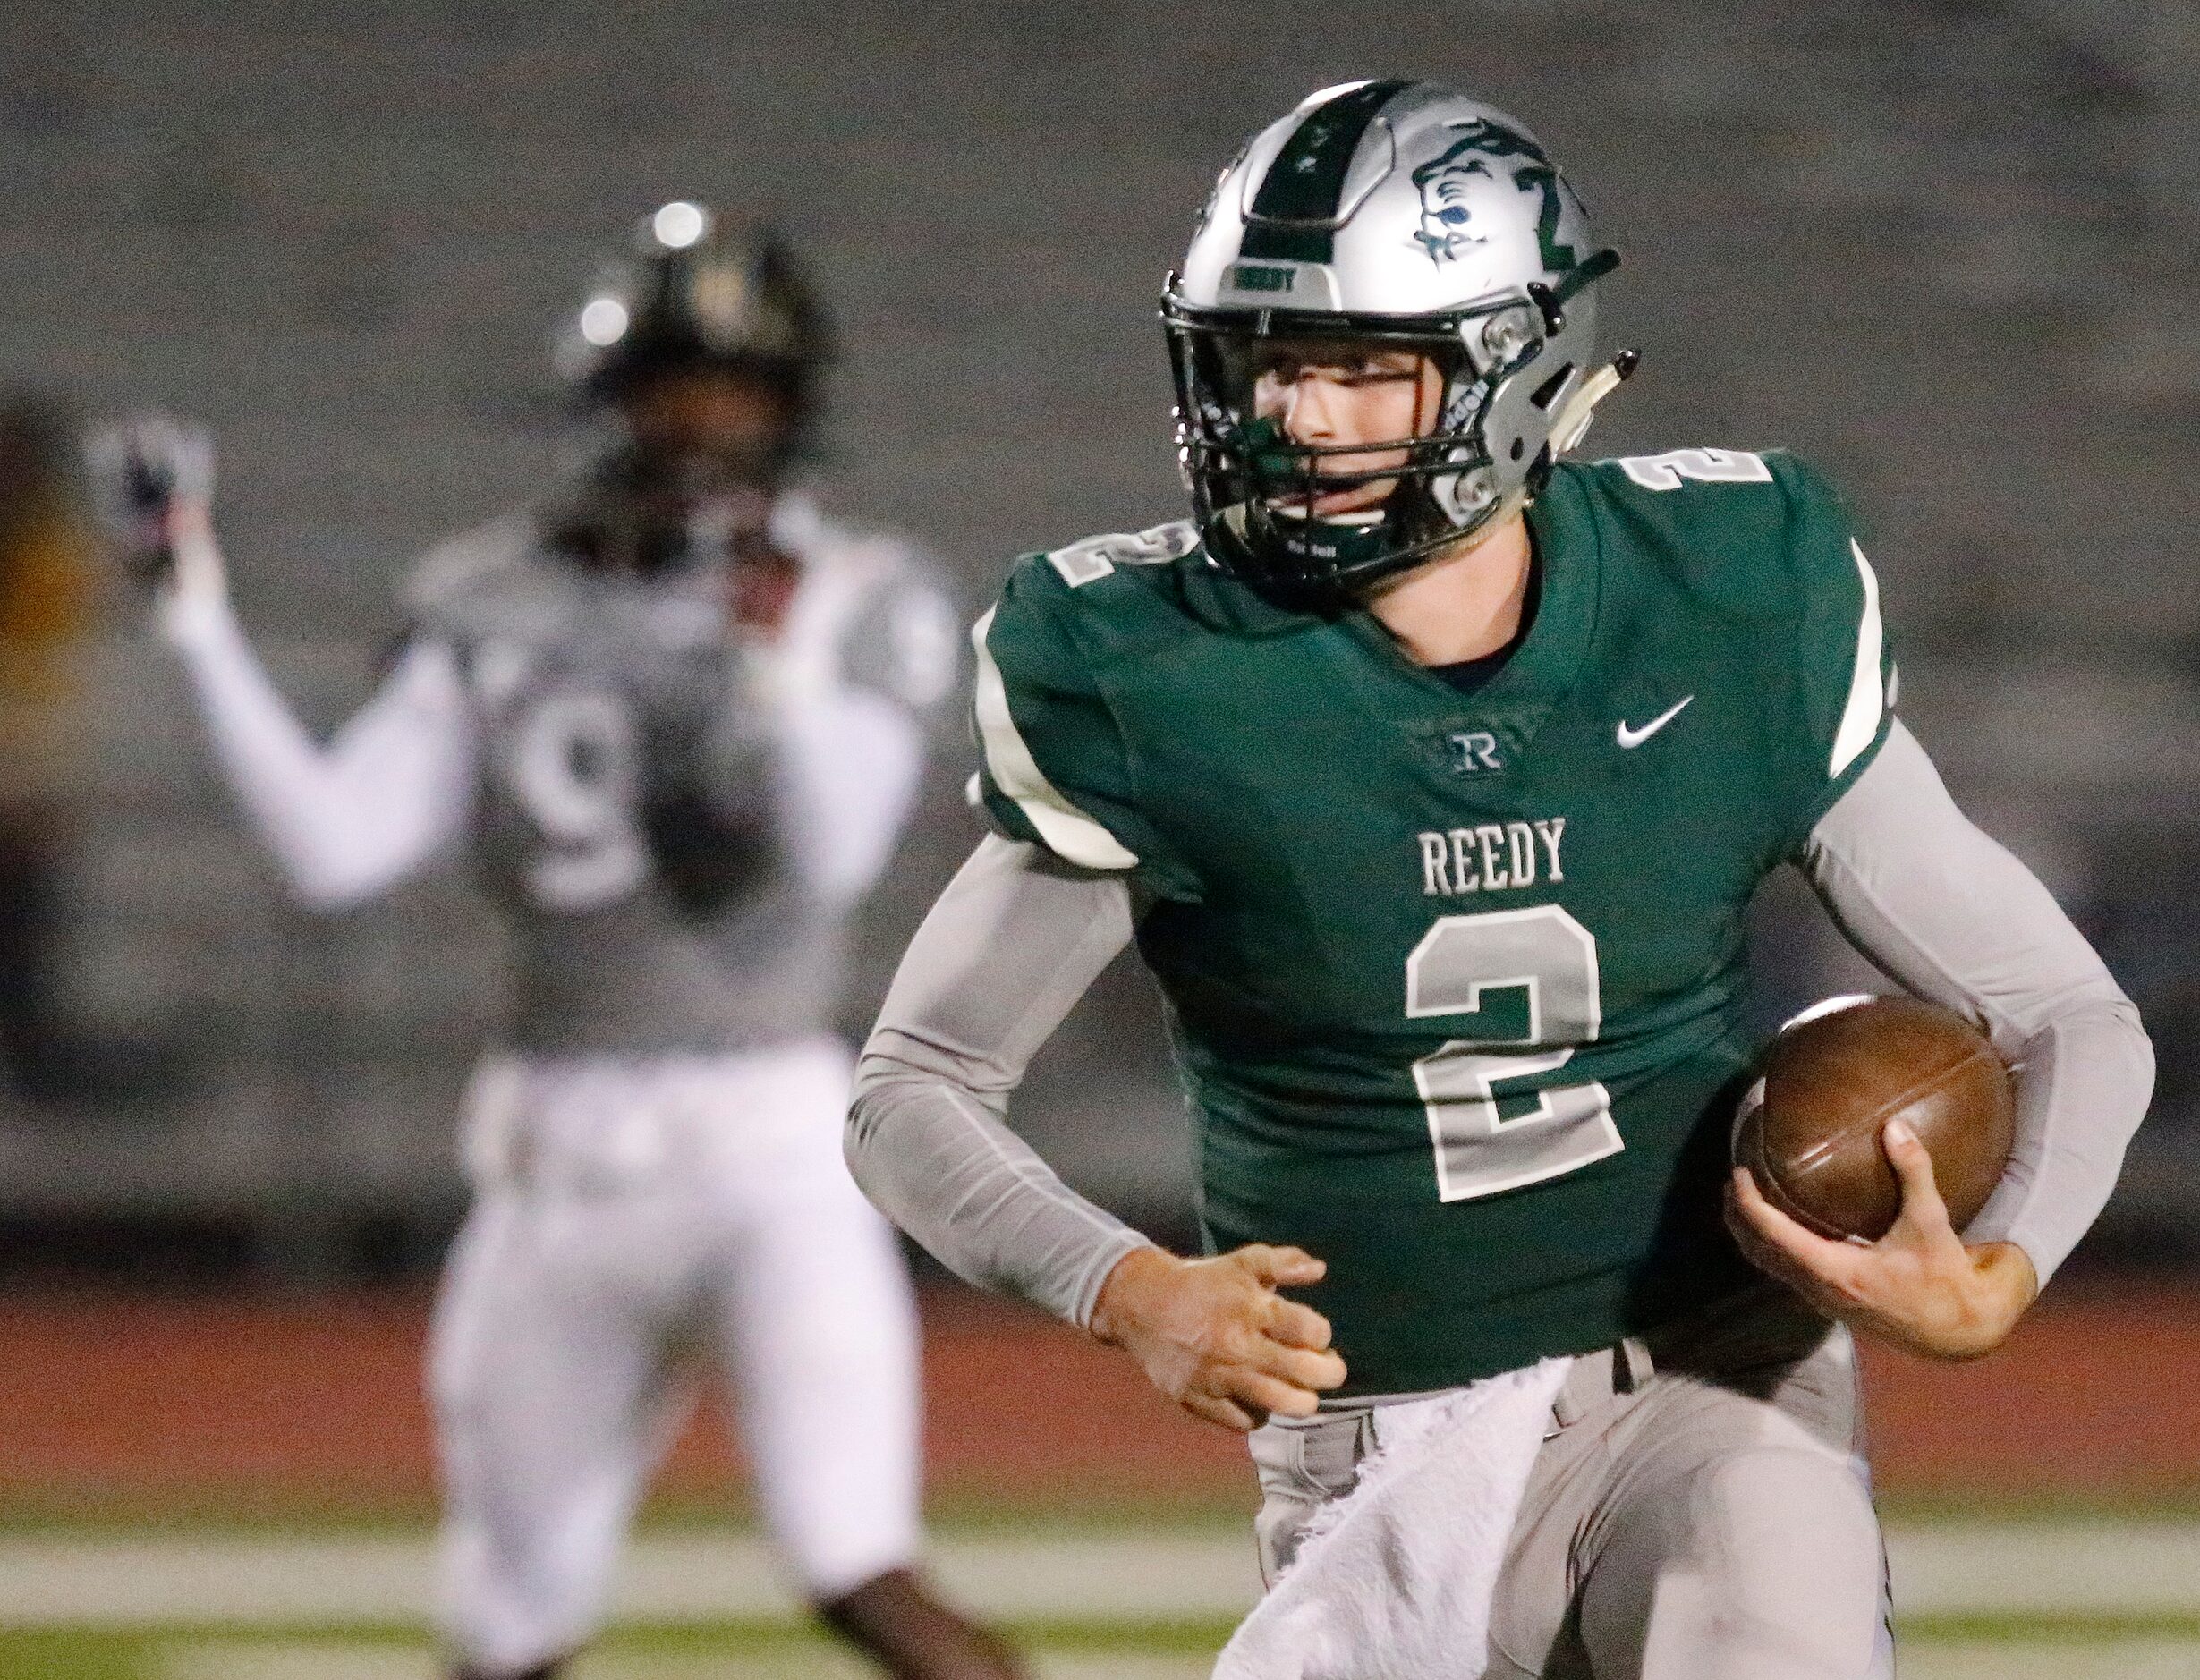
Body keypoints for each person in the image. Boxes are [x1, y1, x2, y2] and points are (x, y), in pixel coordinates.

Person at [845, 81, 2153, 1679]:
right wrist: (1121, 1285)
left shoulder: (1724, 593)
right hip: (1372, 1454)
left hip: (1714, 1394)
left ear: (1514, 371)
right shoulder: (1155, 670)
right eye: (1269, 366)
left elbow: (2062, 1012)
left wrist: (1996, 1274)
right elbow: (909, 1088)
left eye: (1360, 369)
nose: (1298, 419)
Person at [98, 206, 1022, 1680]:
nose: (697, 424)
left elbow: (833, 850)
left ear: (789, 406)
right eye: (668, 384)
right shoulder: (490, 593)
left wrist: (771, 663)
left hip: (767, 1141)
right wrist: (197, 623)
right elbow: (338, 852)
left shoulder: (857, 592)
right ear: (609, 398)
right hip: (553, 1154)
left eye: (729, 388)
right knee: (504, 1624)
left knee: (859, 1566)